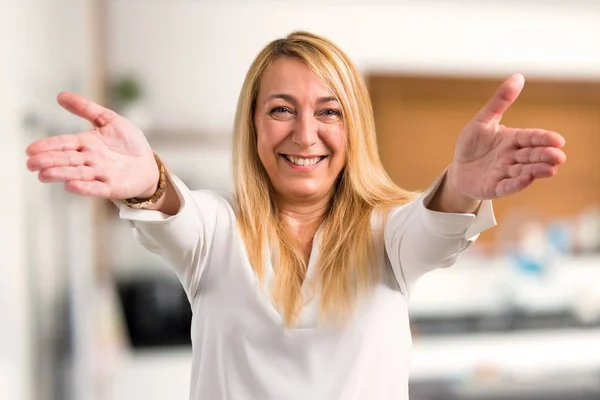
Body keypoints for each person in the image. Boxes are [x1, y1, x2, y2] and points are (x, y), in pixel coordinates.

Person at [26, 31, 566, 400]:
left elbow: (432, 229)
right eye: (281, 109)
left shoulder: (388, 233)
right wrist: (148, 182)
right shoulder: (218, 230)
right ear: (254, 126)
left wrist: (462, 186)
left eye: (328, 111)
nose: (305, 134)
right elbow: (177, 213)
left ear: (353, 126)